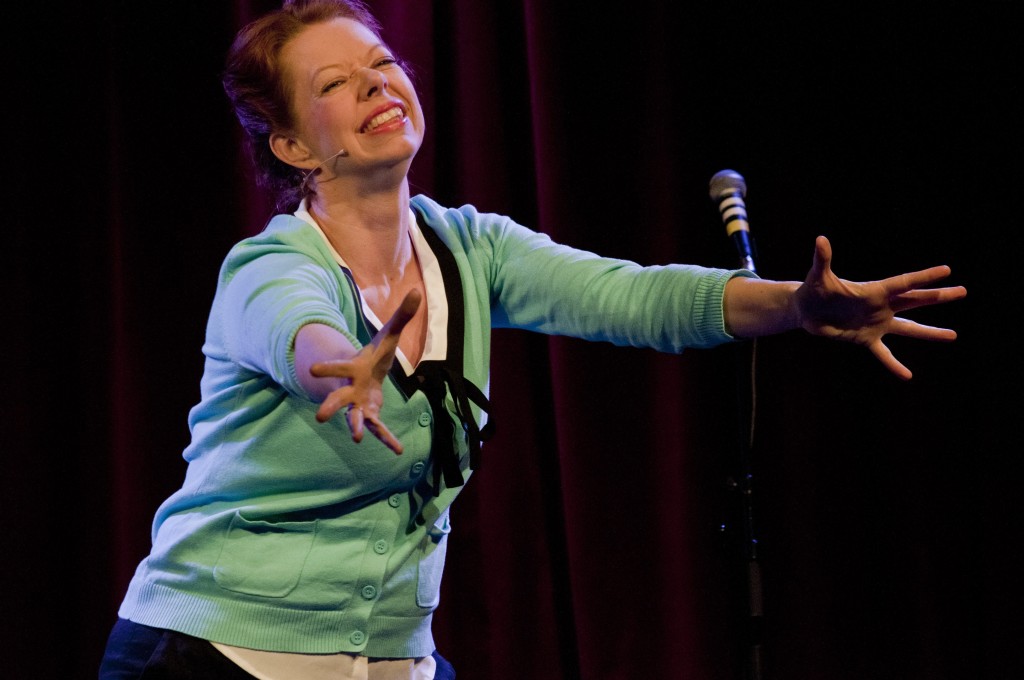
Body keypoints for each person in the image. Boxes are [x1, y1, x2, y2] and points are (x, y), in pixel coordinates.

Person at [98, 1, 966, 678]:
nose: (375, 86)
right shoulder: (270, 263)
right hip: (212, 655)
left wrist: (795, 307)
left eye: (382, 65)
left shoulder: (471, 249)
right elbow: (298, 332)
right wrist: (339, 368)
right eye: (334, 84)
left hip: (391, 663)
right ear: (291, 144)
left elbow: (633, 297)